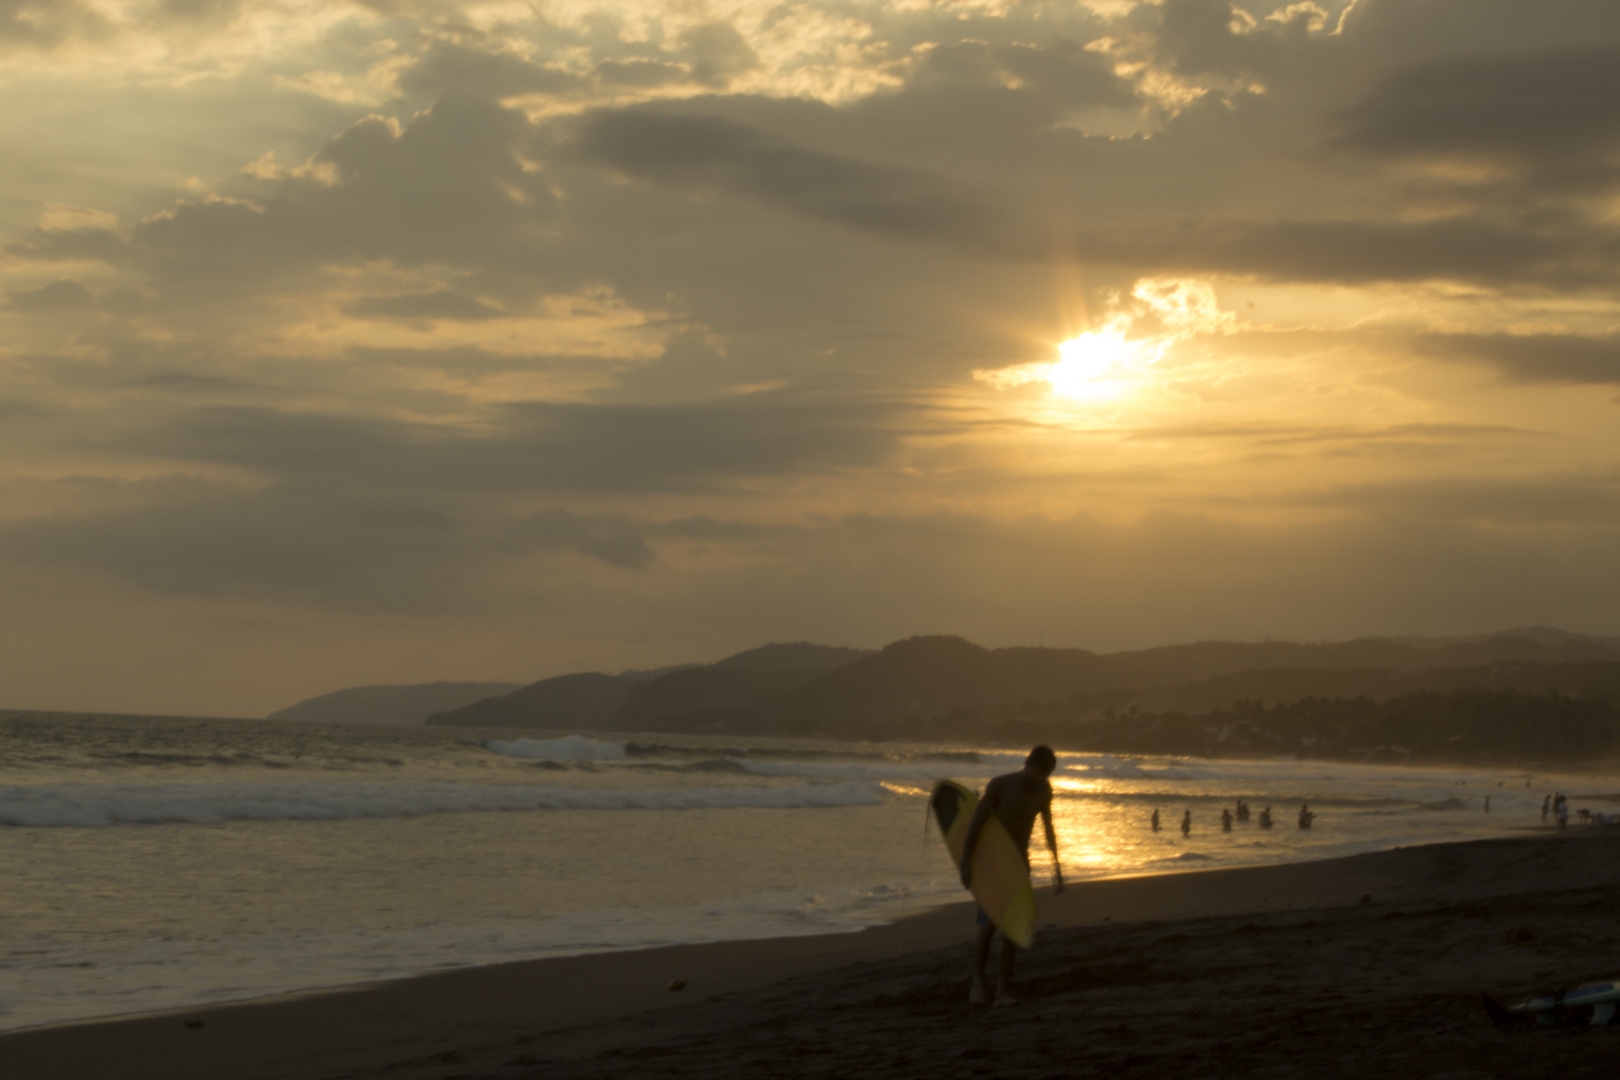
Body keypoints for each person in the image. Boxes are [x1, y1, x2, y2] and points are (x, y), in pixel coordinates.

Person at [960, 745, 1063, 1006]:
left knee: (1013, 930)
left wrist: (1057, 865)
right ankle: (978, 983)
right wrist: (966, 862)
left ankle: (1001, 991)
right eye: (1037, 773)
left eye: (1045, 776)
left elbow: (1048, 827)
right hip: (993, 866)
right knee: (989, 926)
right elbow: (977, 823)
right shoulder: (1001, 785)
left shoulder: (1043, 792)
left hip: (1019, 865)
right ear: (1028, 765)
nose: (1039, 779)